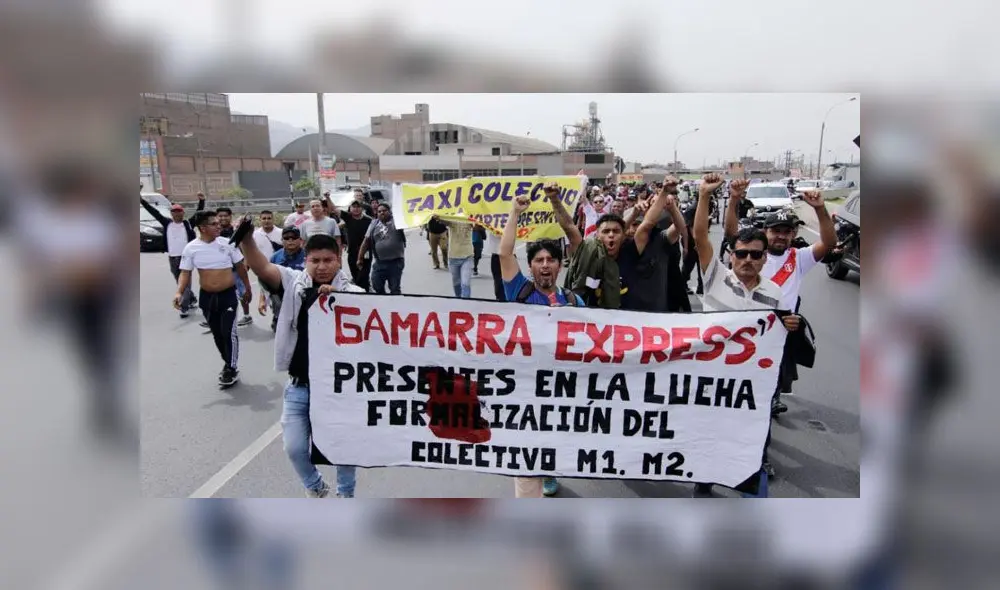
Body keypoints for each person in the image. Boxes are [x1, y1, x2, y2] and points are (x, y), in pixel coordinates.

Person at [233, 217, 363, 498]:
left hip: (339, 390)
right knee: (293, 447)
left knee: (343, 448)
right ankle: (315, 485)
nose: (322, 267)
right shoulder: (293, 283)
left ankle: (346, 494)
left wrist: (341, 300)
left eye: (328, 260)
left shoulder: (355, 294)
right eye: (315, 260)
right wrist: (245, 241)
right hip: (300, 386)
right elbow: (262, 267)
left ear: (338, 260)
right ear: (306, 260)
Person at [690, 174, 801, 498]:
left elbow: (779, 333)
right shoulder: (715, 278)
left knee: (751, 437)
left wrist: (790, 324)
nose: (748, 260)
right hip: (714, 376)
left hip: (753, 382)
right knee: (710, 433)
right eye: (742, 254)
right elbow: (699, 236)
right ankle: (705, 480)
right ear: (731, 256)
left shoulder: (776, 293)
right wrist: (704, 196)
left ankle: (751, 475)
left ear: (765, 258)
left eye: (755, 254)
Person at [499, 191, 584, 498]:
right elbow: (505, 254)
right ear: (531, 266)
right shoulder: (519, 292)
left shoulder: (575, 301)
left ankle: (550, 470)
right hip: (524, 388)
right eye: (538, 260)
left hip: (561, 390)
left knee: (551, 444)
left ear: (560, 266)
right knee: (525, 465)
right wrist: (514, 212)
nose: (545, 265)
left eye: (550, 260)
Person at [724, 187, 836, 415]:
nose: (781, 236)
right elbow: (731, 234)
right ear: (765, 232)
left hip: (781, 327)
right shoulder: (753, 254)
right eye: (776, 231)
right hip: (747, 322)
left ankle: (771, 399)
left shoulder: (799, 257)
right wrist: (734, 200)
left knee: (773, 368)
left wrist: (820, 209)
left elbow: (829, 242)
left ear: (793, 235)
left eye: (787, 232)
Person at [175, 210, 253, 388]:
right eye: (214, 224)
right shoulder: (191, 248)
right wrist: (179, 292)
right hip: (207, 298)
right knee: (218, 335)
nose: (219, 226)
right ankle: (228, 362)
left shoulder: (228, 244)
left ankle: (231, 367)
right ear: (202, 228)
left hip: (228, 295)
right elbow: (185, 273)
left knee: (229, 333)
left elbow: (241, 268)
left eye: (219, 223)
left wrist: (247, 288)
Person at [617, 177, 687, 312]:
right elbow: (619, 228)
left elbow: (679, 227)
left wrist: (672, 208)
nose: (632, 230)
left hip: (657, 311)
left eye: (637, 224)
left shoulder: (659, 238)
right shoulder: (619, 245)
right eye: (630, 225)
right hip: (628, 310)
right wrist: (633, 214)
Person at [140, 191, 205, 318]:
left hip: (186, 258)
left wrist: (202, 201)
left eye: (179, 211)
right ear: (171, 214)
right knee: (179, 282)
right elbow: (154, 212)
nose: (176, 214)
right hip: (172, 258)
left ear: (183, 213)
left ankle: (183, 306)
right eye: (174, 212)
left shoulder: (187, 224)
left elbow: (198, 213)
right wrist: (142, 201)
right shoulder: (167, 223)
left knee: (185, 283)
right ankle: (191, 298)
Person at [212, 206, 253, 326]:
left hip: (236, 268)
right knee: (217, 293)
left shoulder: (236, 230)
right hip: (219, 268)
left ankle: (247, 316)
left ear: (230, 217)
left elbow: (244, 246)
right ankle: (217, 318)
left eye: (226, 215)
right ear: (216, 217)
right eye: (220, 216)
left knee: (243, 292)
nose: (223, 218)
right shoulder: (214, 232)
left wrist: (246, 262)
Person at [259, 226, 305, 332]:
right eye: (286, 238)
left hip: (301, 294)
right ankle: (278, 319)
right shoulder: (275, 257)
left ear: (300, 240)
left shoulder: (308, 256)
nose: (290, 241)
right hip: (280, 296)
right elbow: (266, 280)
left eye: (294, 237)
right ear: (282, 240)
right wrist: (262, 301)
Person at [358, 201, 406, 295]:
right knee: (376, 284)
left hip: (395, 262)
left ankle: (396, 306)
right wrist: (360, 258)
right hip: (380, 262)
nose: (381, 213)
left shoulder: (397, 221)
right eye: (379, 211)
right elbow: (366, 241)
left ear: (389, 211)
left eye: (384, 210)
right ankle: (384, 301)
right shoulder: (373, 224)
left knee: (394, 288)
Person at [338, 200, 373, 292]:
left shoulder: (369, 220)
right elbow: (334, 209)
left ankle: (366, 293)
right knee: (355, 276)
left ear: (362, 208)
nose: (356, 209)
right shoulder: (348, 218)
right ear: (350, 208)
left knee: (364, 277)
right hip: (352, 253)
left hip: (366, 253)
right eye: (354, 207)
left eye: (358, 207)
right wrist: (327, 197)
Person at [440, 217, 474, 298]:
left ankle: (466, 304)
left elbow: (478, 224)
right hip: (453, 257)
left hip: (467, 256)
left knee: (465, 283)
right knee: (456, 283)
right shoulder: (452, 219)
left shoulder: (470, 218)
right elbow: (444, 220)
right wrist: (436, 216)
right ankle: (458, 301)